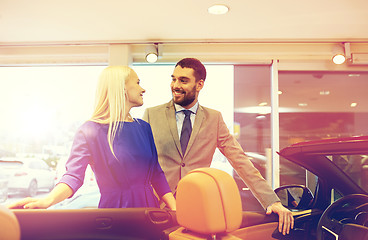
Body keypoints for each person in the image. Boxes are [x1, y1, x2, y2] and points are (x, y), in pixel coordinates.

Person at [142, 58, 293, 235]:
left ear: (199, 85)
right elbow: (142, 164)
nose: (175, 85)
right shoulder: (152, 115)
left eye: (183, 80)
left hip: (198, 209)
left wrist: (271, 200)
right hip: (158, 208)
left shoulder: (214, 119)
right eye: (173, 79)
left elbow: (240, 161)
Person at [8, 66, 176, 210]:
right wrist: (48, 200)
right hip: (115, 214)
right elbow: (73, 176)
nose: (143, 89)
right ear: (122, 88)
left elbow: (156, 174)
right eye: (138, 83)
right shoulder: (90, 130)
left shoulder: (144, 127)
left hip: (149, 213)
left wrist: (176, 210)